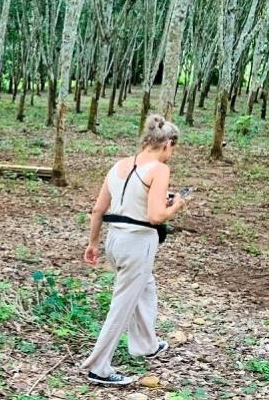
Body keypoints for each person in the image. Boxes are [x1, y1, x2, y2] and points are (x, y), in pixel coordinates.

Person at [80, 114, 188, 386]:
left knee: (146, 286)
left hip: (115, 242)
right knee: (122, 305)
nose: (171, 155)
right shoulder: (159, 170)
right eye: (172, 149)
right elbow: (155, 216)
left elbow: (98, 209)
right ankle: (99, 367)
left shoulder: (120, 165)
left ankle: (146, 344)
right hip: (138, 243)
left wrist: (93, 243)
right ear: (167, 145)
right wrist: (176, 205)